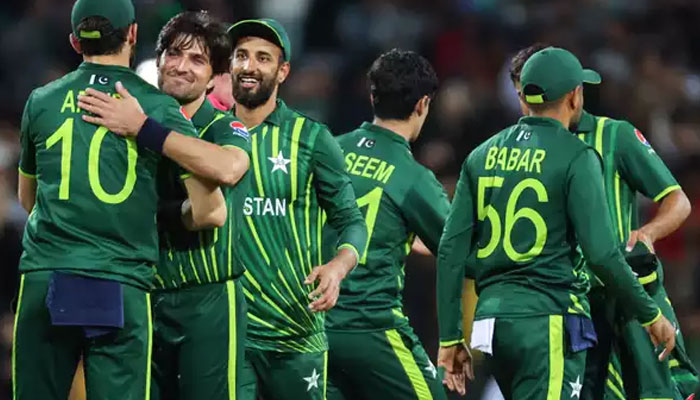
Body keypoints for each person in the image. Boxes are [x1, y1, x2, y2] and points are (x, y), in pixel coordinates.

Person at [14, 0, 247, 398]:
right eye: (175, 54)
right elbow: (211, 210)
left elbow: (27, 199)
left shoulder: (41, 100)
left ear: (74, 41)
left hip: (46, 274)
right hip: (120, 279)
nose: (182, 66)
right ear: (135, 36)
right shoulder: (160, 108)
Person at [436, 47, 676, 399]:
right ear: (574, 96)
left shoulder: (481, 154)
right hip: (547, 317)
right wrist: (650, 314)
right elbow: (603, 255)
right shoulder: (577, 155)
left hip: (492, 324)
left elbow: (449, 250)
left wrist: (449, 337)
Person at [509, 43, 698, 400]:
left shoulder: (615, 135)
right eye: (526, 95)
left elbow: (678, 201)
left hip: (625, 296)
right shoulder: (514, 152)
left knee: (663, 391)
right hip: (565, 306)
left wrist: (647, 232)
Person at [226, 19, 367, 400]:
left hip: (295, 329)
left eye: (263, 58)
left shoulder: (311, 138)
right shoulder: (208, 135)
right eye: (241, 55)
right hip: (228, 333)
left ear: (283, 70)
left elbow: (352, 221)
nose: (249, 66)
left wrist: (338, 267)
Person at [323, 49, 463, 400]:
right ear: (423, 105)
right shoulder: (414, 178)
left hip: (313, 326)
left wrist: (402, 236)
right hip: (371, 328)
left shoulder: (328, 151)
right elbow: (458, 250)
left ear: (372, 96)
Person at [147, 12, 251, 400]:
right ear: (158, 60)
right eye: (174, 54)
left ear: (213, 79)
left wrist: (150, 131)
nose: (181, 67)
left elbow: (229, 167)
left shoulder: (226, 128)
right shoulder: (131, 123)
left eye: (197, 60)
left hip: (208, 300)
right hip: (146, 294)